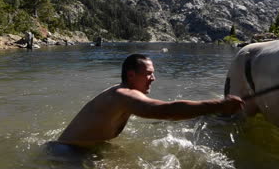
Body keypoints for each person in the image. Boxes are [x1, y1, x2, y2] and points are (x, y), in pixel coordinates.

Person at [50, 54, 245, 153]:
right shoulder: (123, 94)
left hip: (80, 149)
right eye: (149, 73)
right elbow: (164, 110)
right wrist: (219, 105)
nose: (154, 78)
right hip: (68, 154)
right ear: (131, 75)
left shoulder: (121, 93)